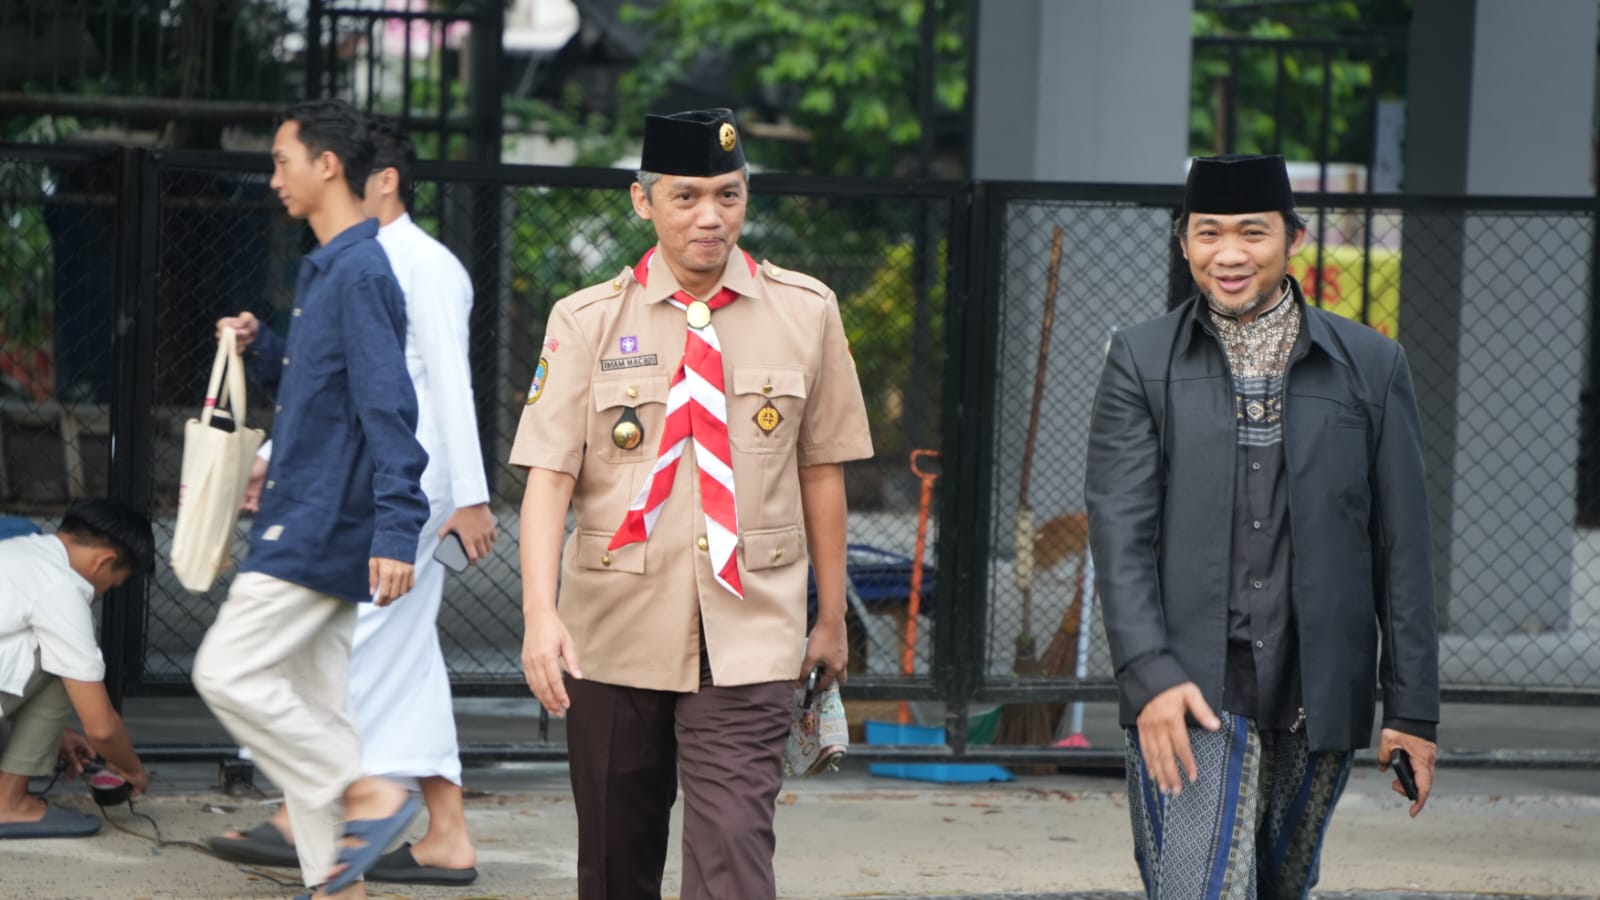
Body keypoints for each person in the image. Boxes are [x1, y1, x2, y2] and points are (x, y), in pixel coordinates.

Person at [511, 108, 872, 899]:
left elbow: (822, 470)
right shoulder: (587, 320)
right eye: (686, 197)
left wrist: (830, 616)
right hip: (612, 629)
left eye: (727, 195)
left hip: (752, 628)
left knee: (733, 854)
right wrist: (541, 615)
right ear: (643, 201)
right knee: (615, 859)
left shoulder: (805, 311)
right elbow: (549, 477)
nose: (711, 216)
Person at [1084, 153, 1441, 899]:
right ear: (1184, 242)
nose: (1230, 254)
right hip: (1187, 687)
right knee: (1199, 887)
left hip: (1318, 687)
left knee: (1282, 885)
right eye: (1208, 233)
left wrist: (1412, 709)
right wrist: (1149, 676)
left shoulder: (1372, 366)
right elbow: (1120, 535)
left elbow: (1402, 548)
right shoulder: (1142, 361)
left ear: (1294, 238)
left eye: (1252, 232)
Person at [208, 118, 490, 885]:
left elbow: (413, 397)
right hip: (339, 502)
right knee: (345, 688)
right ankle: (354, 860)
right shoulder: (332, 265)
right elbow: (325, 389)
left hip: (360, 508)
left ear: (333, 166)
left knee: (231, 673)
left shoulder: (387, 267)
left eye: (282, 161)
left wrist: (443, 507)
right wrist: (264, 357)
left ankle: (360, 789)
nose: (273, 179)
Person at [0, 499, 153, 839]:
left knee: (57, 655)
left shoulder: (19, 551)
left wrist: (55, 734)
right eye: (112, 584)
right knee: (69, 665)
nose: (103, 592)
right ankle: (8, 803)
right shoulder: (61, 587)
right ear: (104, 561)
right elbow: (101, 727)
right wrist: (130, 768)